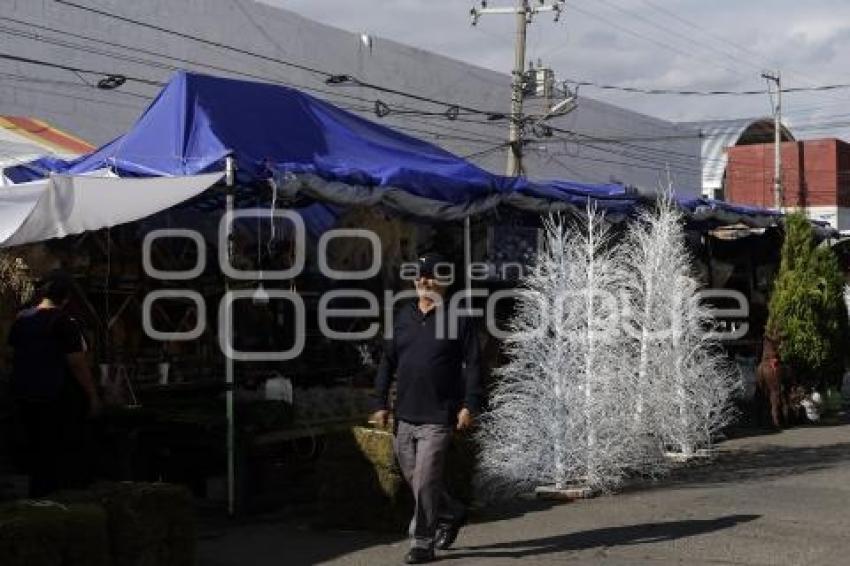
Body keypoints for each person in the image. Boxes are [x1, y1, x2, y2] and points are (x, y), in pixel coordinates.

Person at [372, 253, 482, 564]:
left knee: (424, 480)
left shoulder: (455, 318)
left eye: (432, 275)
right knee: (417, 479)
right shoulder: (404, 316)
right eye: (421, 275)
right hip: (404, 415)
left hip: (438, 415)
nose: (425, 280)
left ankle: (422, 542)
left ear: (444, 282)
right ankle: (451, 511)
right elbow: (387, 362)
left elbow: (473, 365)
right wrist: (379, 402)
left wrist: (469, 405)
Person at [8, 270, 101, 497]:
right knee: (55, 449)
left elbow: (9, 354)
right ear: (67, 297)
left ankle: (36, 495)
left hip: (24, 392)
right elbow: (77, 364)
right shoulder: (64, 322)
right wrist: (93, 396)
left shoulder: (22, 319)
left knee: (34, 447)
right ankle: (52, 496)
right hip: (54, 395)